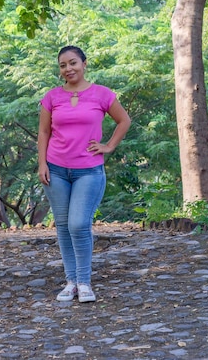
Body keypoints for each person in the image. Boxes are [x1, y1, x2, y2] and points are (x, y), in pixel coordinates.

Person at [38, 45, 131, 303]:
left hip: (88, 171)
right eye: (63, 65)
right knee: (64, 227)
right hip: (56, 170)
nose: (68, 69)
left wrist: (109, 146)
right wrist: (42, 164)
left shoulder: (102, 94)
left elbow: (124, 121)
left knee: (79, 224)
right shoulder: (52, 97)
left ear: (84, 64)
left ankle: (84, 282)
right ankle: (71, 282)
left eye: (73, 63)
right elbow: (44, 133)